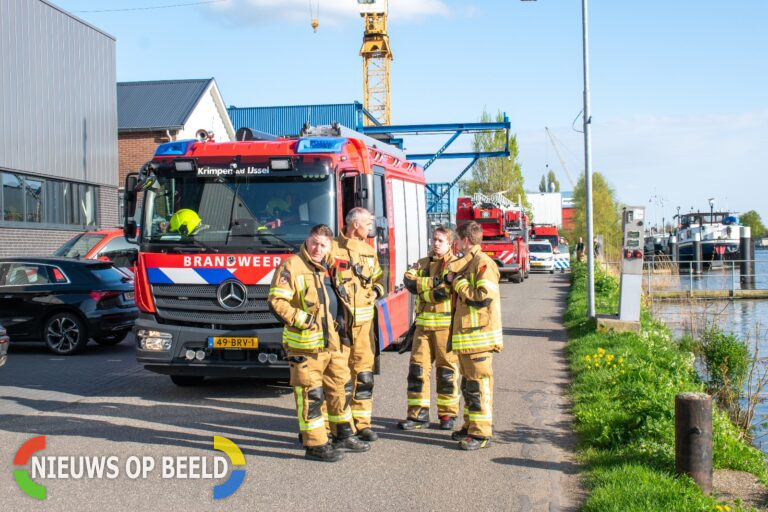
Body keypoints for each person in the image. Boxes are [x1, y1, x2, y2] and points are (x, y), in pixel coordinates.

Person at [268, 224, 371, 462]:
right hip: (305, 345)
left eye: (323, 245)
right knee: (311, 395)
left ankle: (342, 434)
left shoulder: (330, 265)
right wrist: (303, 320)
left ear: (329, 246)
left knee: (340, 388)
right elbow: (277, 301)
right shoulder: (291, 266)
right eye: (314, 242)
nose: (318, 248)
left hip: (332, 342)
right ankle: (315, 444)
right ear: (307, 240)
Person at [398, 227, 465, 431]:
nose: (436, 243)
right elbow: (408, 281)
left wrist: (423, 289)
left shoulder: (455, 265)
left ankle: (447, 415)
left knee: (446, 373)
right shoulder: (422, 263)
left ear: (450, 243)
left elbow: (444, 293)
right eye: (434, 239)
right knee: (417, 372)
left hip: (445, 328)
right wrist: (434, 282)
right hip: (422, 328)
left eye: (440, 241)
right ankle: (418, 415)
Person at [446, 221, 503, 450]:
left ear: (466, 240)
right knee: (469, 387)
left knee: (479, 386)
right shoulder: (470, 263)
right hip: (468, 339)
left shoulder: (483, 264)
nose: (456, 244)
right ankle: (470, 427)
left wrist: (458, 283)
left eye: (458, 240)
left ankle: (481, 434)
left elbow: (483, 297)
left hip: (479, 339)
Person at [331, 207, 385, 442]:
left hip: (364, 328)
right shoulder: (331, 249)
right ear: (355, 225)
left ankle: (362, 423)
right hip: (340, 327)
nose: (371, 229)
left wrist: (375, 291)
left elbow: (378, 279)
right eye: (368, 224)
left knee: (364, 376)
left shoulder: (368, 251)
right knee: (337, 378)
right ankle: (338, 426)